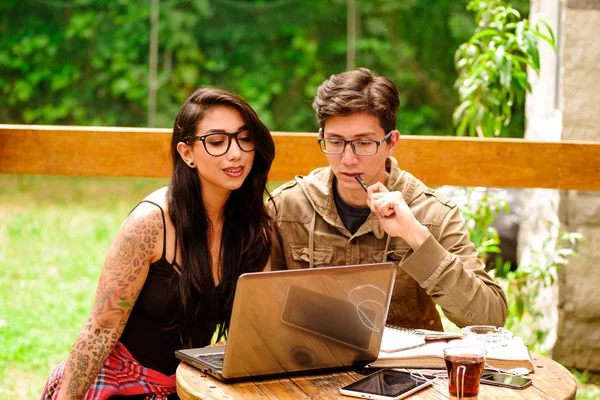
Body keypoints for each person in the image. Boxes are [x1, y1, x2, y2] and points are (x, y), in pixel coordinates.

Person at [42, 87, 275, 399]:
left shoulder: (254, 226)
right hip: (121, 383)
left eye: (244, 139)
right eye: (217, 142)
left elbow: (257, 327)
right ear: (186, 153)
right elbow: (102, 326)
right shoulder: (150, 223)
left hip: (193, 384)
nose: (235, 153)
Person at [266, 68, 507, 331]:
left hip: (404, 370)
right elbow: (260, 307)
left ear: (391, 142)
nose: (348, 159)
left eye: (364, 143)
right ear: (322, 138)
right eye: (335, 142)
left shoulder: (433, 214)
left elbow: (490, 319)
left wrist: (416, 236)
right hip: (309, 364)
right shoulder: (286, 208)